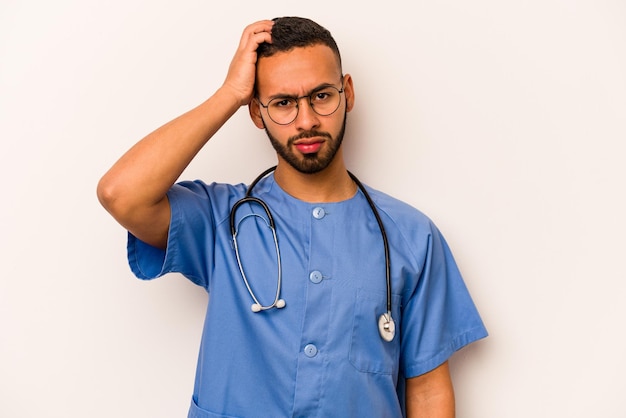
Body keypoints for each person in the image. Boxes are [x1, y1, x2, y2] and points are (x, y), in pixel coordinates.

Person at [97, 16, 487, 418]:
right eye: (283, 103)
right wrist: (229, 94)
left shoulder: (411, 237)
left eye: (321, 96)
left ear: (347, 92)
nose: (306, 121)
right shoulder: (221, 220)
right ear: (256, 112)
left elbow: (427, 391)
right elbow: (121, 194)